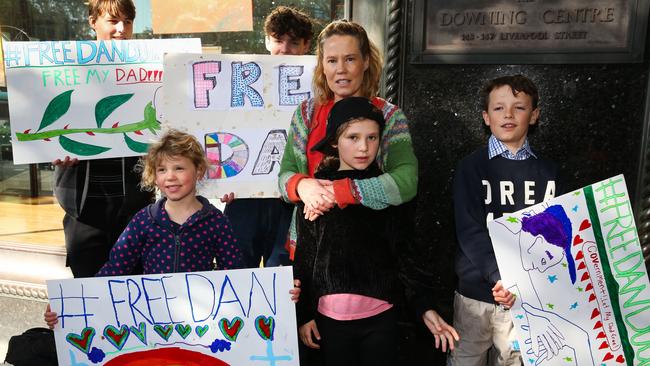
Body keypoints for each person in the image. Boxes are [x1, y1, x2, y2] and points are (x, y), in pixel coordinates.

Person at [45, 130, 300, 327]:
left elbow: (236, 275)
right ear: (153, 175)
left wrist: (280, 295)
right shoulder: (144, 220)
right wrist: (67, 306)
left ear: (199, 170)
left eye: (179, 168)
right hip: (153, 323)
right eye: (162, 170)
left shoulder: (215, 222)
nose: (170, 177)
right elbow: (114, 269)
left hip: (199, 321)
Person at [293, 97, 457, 366]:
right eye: (353, 137)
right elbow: (305, 259)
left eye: (372, 137)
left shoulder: (388, 192)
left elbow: (406, 256)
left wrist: (425, 307)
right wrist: (304, 315)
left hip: (380, 322)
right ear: (335, 141)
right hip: (328, 324)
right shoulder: (316, 193)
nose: (363, 147)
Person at [278, 19, 418, 260]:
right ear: (322, 65)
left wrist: (340, 191)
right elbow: (284, 177)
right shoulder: (306, 114)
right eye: (332, 60)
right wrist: (303, 185)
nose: (340, 69)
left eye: (350, 59)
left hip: (369, 250)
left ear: (365, 61)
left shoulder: (389, 116)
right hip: (309, 248)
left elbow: (405, 182)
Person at [447, 74, 559, 365]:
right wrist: (500, 277)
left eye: (519, 107)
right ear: (486, 117)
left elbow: (556, 236)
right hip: (475, 296)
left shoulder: (549, 173)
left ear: (534, 116)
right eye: (499, 108)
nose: (508, 114)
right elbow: (470, 230)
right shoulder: (471, 167)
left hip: (527, 300)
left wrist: (521, 283)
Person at [53, 0, 154, 278]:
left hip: (135, 207)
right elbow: (44, 125)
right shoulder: (64, 68)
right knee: (89, 294)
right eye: (113, 21)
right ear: (92, 22)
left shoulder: (150, 69)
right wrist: (50, 152)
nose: (122, 29)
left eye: (128, 22)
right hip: (84, 208)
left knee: (136, 296)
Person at [220, 6, 313, 268]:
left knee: (283, 272)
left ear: (306, 45)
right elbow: (221, 132)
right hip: (245, 197)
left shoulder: (319, 86)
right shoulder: (239, 84)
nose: (284, 49)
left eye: (293, 42)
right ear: (266, 41)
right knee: (236, 268)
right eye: (278, 40)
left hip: (292, 199)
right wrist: (220, 181)